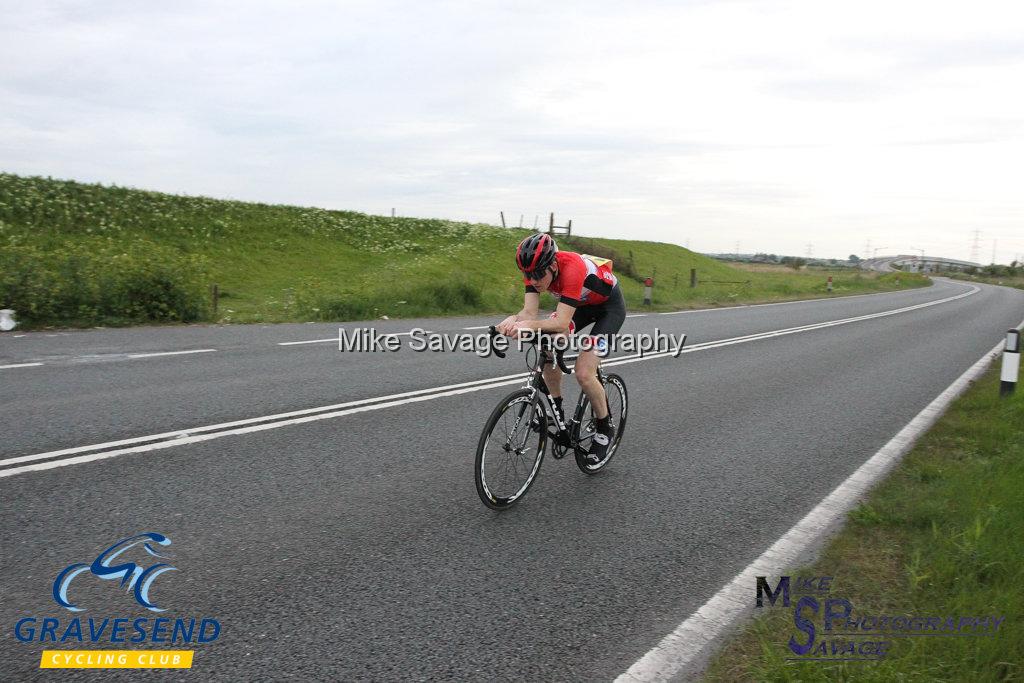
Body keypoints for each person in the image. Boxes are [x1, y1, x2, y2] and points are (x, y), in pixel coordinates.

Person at [496, 233, 626, 465]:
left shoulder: (572, 267)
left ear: (554, 265)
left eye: (538, 275)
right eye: (527, 275)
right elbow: (529, 314)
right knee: (547, 344)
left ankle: (605, 427)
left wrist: (528, 326)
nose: (533, 280)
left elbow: (561, 323)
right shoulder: (534, 269)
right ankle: (557, 413)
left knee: (584, 372)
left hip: (610, 309)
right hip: (581, 306)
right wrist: (513, 320)